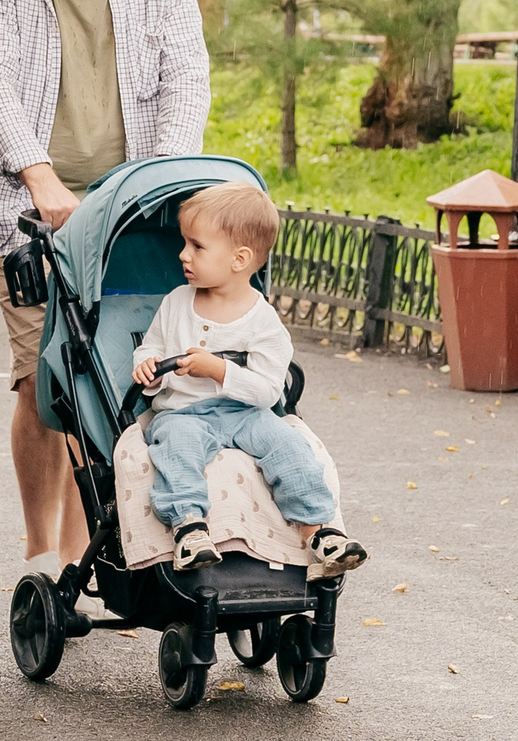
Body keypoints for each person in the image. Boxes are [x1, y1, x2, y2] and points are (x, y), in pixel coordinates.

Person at [0, 0, 212, 583]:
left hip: (133, 211)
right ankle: (42, 551)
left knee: (119, 377)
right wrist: (40, 178)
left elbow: (185, 79)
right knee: (45, 387)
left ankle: (85, 552)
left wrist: (156, 185)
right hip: (31, 214)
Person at [132, 181, 365, 577]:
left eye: (196, 246)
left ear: (239, 259)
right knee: (176, 447)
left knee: (289, 446)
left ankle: (318, 531)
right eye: (185, 243)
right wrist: (148, 364)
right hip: (182, 411)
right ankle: (189, 526)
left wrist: (219, 370)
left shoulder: (263, 321)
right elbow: (150, 346)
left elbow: (269, 390)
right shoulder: (175, 302)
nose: (182, 254)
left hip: (245, 413)